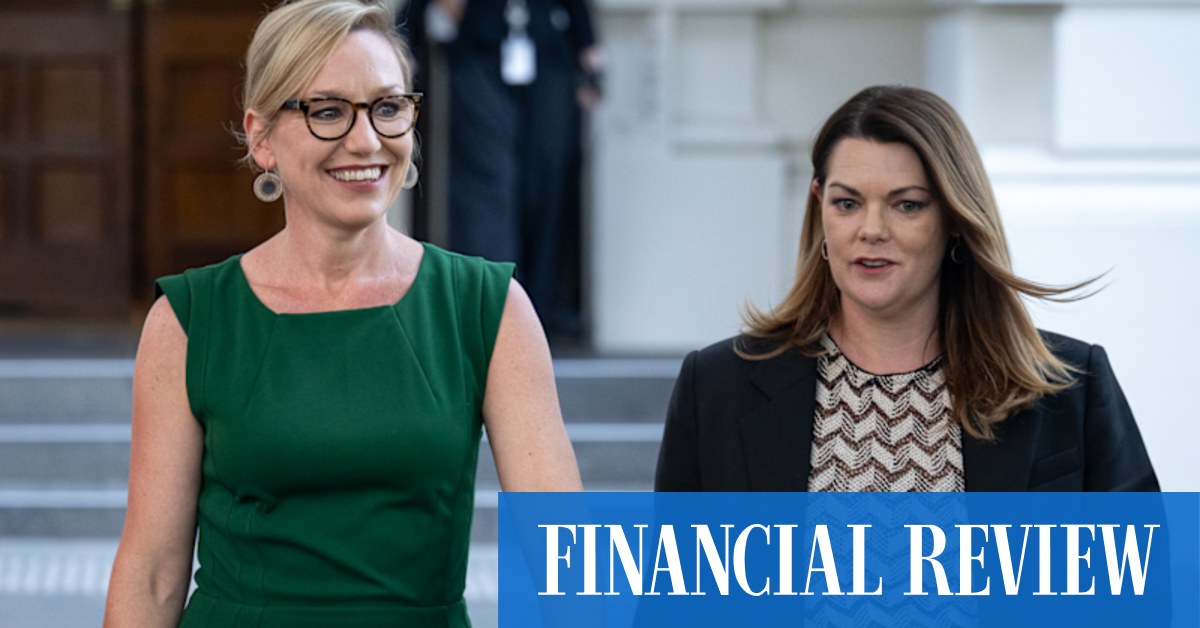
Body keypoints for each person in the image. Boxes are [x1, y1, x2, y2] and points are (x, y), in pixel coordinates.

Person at [104, 1, 581, 625]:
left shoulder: (488, 307)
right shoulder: (189, 320)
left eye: (387, 107)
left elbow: (562, 563)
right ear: (261, 137)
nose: (366, 140)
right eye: (327, 111)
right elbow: (151, 578)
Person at [654, 85, 1158, 493]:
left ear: (955, 218)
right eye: (847, 203)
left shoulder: (1071, 389)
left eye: (907, 205)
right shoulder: (716, 388)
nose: (871, 230)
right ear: (819, 205)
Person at [400, 0, 603, 339]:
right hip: (480, 52)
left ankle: (539, 311)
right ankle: (491, 309)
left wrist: (590, 55)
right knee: (488, 187)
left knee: (544, 185)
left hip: (546, 53)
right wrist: (406, 39)